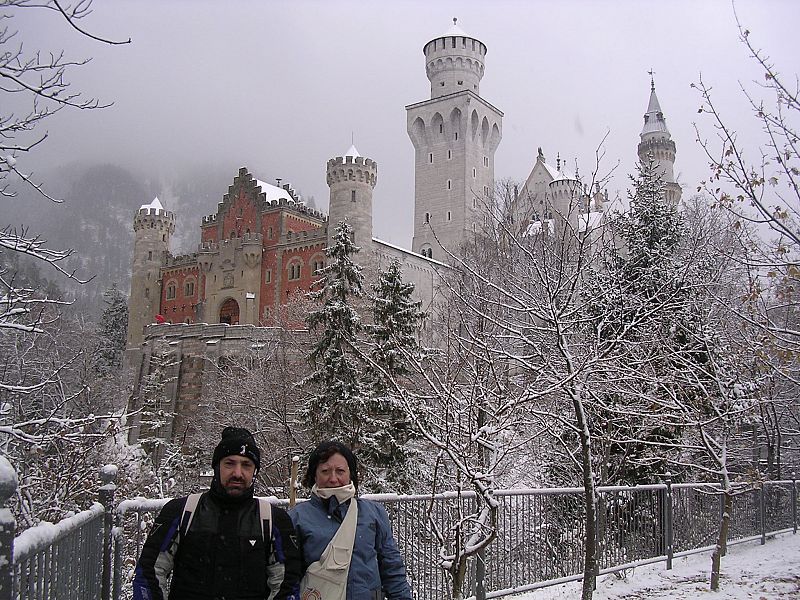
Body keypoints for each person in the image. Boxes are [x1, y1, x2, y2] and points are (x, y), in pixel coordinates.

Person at [133, 427, 302, 600]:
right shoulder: (181, 512)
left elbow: (286, 585)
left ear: (255, 471)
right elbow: (150, 573)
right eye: (229, 463)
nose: (237, 473)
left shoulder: (274, 521)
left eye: (246, 465)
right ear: (217, 467)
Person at [290, 440, 412, 600]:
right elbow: (288, 576)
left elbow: (392, 568)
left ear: (351, 474)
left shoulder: (373, 513)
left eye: (340, 471)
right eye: (325, 471)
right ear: (315, 475)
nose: (333, 479)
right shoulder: (298, 517)